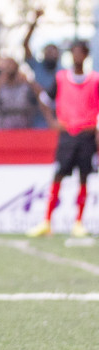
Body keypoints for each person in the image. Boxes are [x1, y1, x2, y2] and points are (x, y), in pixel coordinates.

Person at [28, 41, 99, 238]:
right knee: (58, 175)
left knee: (84, 177)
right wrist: (51, 121)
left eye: (80, 53)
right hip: (67, 134)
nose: (77, 56)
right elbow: (44, 99)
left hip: (87, 135)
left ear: (86, 55)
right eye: (74, 53)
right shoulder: (61, 78)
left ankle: (79, 222)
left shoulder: (95, 80)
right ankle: (47, 221)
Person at [22, 10, 59, 128]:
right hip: (38, 117)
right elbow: (25, 44)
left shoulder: (63, 71)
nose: (51, 54)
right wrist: (34, 21)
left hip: (58, 116)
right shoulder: (37, 65)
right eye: (48, 52)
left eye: (54, 52)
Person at [0, 57, 37, 130]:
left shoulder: (25, 84)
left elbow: (41, 96)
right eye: (6, 67)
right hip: (2, 128)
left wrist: (28, 81)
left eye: (11, 65)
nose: (8, 68)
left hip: (23, 128)